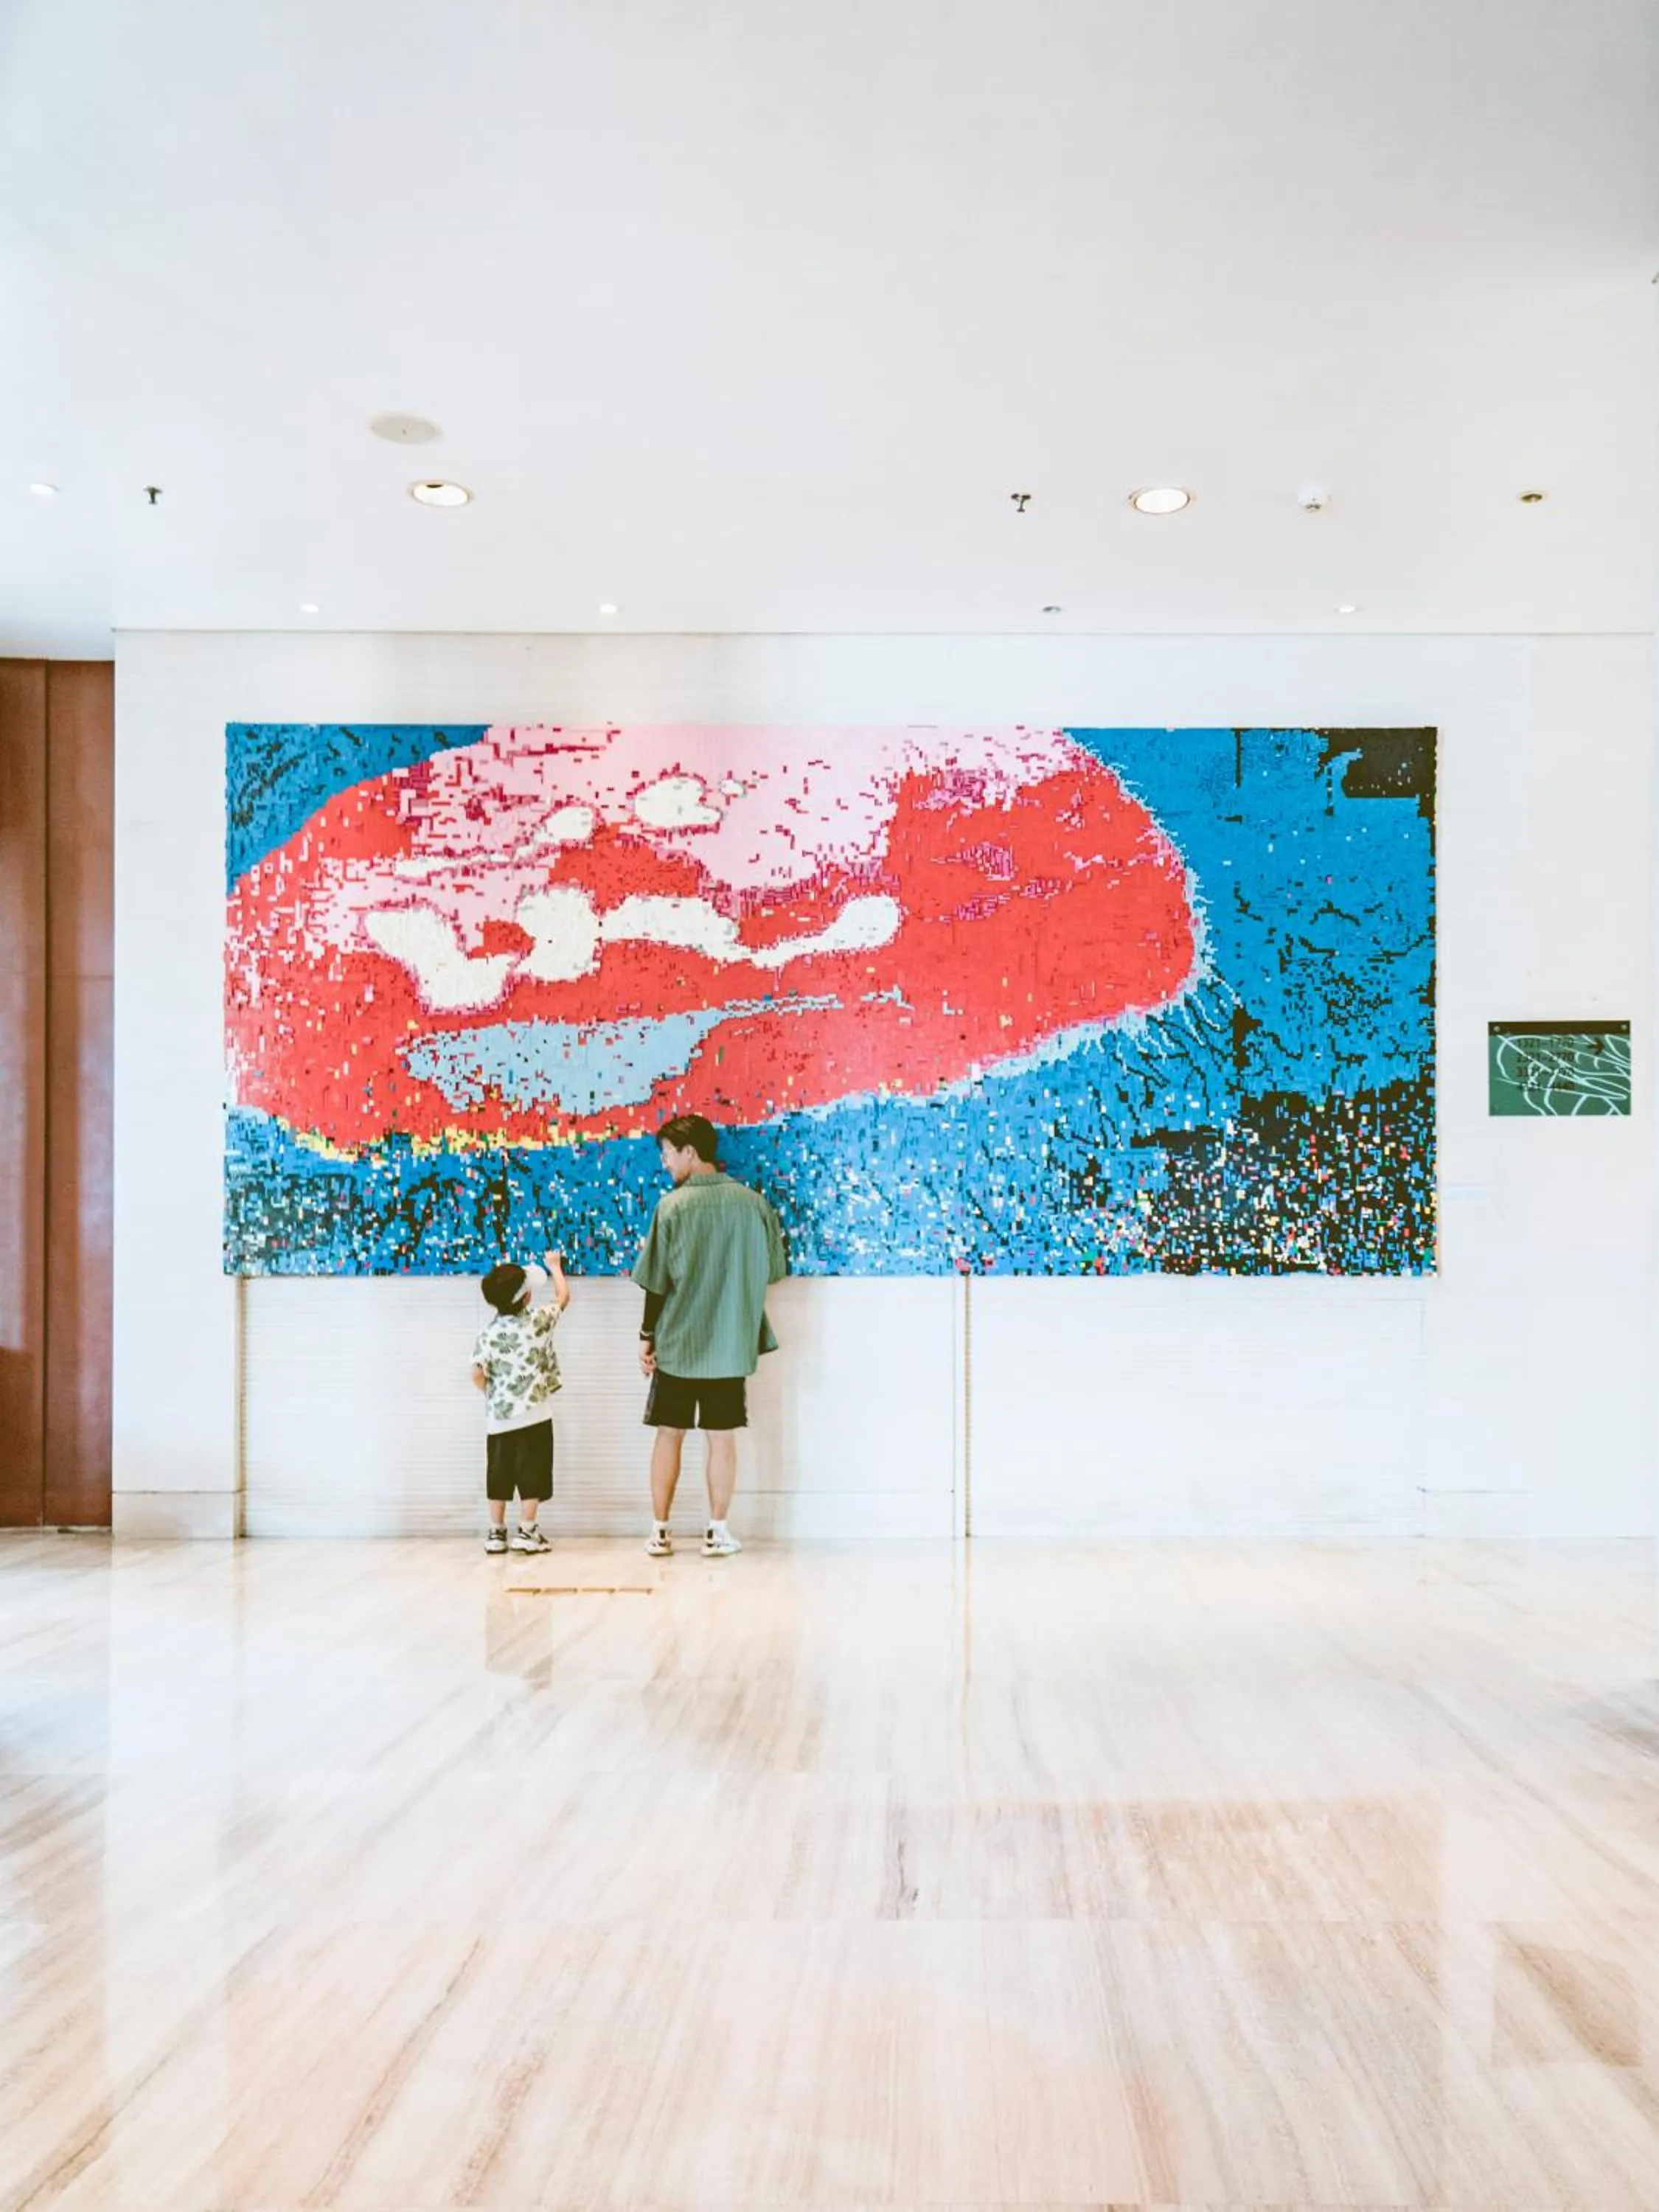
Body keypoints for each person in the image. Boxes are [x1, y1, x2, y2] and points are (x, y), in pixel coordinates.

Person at [633, 1114, 786, 1558]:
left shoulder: (672, 1207)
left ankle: (660, 1531)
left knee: (669, 1434)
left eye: (666, 1153)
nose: (664, 1163)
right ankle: (718, 1530)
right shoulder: (753, 1204)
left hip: (678, 1343)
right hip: (730, 1344)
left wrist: (647, 1335)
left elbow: (655, 1283)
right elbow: (773, 1272)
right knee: (722, 1438)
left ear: (689, 1152)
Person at [471, 1249, 569, 1554]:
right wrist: (554, 1266)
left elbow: (476, 1373)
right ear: (526, 1298)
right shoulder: (538, 1321)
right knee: (533, 1472)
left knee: (498, 1473)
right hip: (536, 1414)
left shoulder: (488, 1334)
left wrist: (493, 1391)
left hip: (499, 1417)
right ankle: (527, 1532)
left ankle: (496, 1532)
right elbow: (562, 1298)